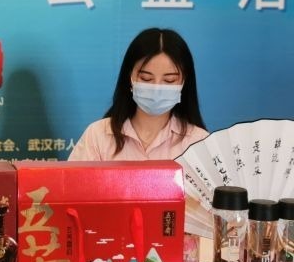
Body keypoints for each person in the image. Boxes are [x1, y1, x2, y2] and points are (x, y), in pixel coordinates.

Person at [69, 27, 208, 161]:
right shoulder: (97, 136)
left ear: (183, 82)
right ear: (130, 77)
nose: (156, 88)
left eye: (169, 80)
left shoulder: (200, 143)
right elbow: (73, 178)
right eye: (146, 78)